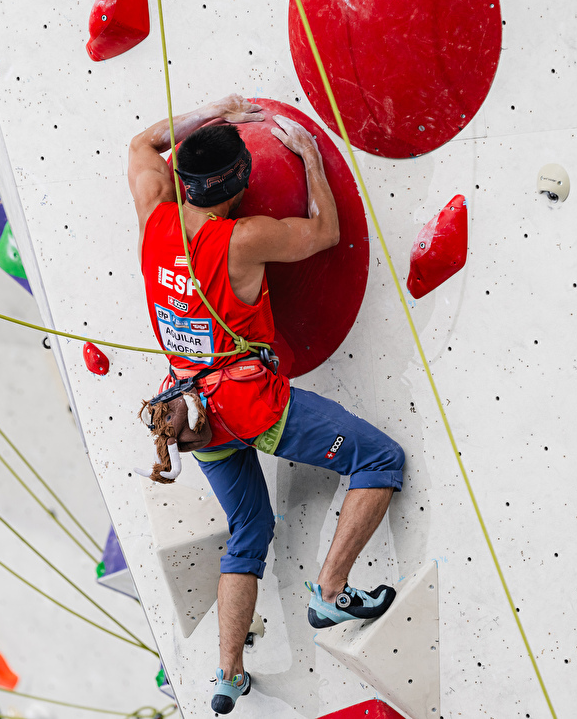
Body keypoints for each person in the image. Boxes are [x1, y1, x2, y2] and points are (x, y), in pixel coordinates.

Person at [128, 94, 406, 714]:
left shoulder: (155, 216)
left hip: (191, 413)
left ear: (184, 181)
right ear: (240, 182)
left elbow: (142, 146)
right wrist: (307, 151)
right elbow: (325, 233)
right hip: (253, 408)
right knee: (379, 460)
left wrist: (214, 110)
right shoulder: (243, 239)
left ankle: (227, 676)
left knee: (249, 529)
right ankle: (331, 591)